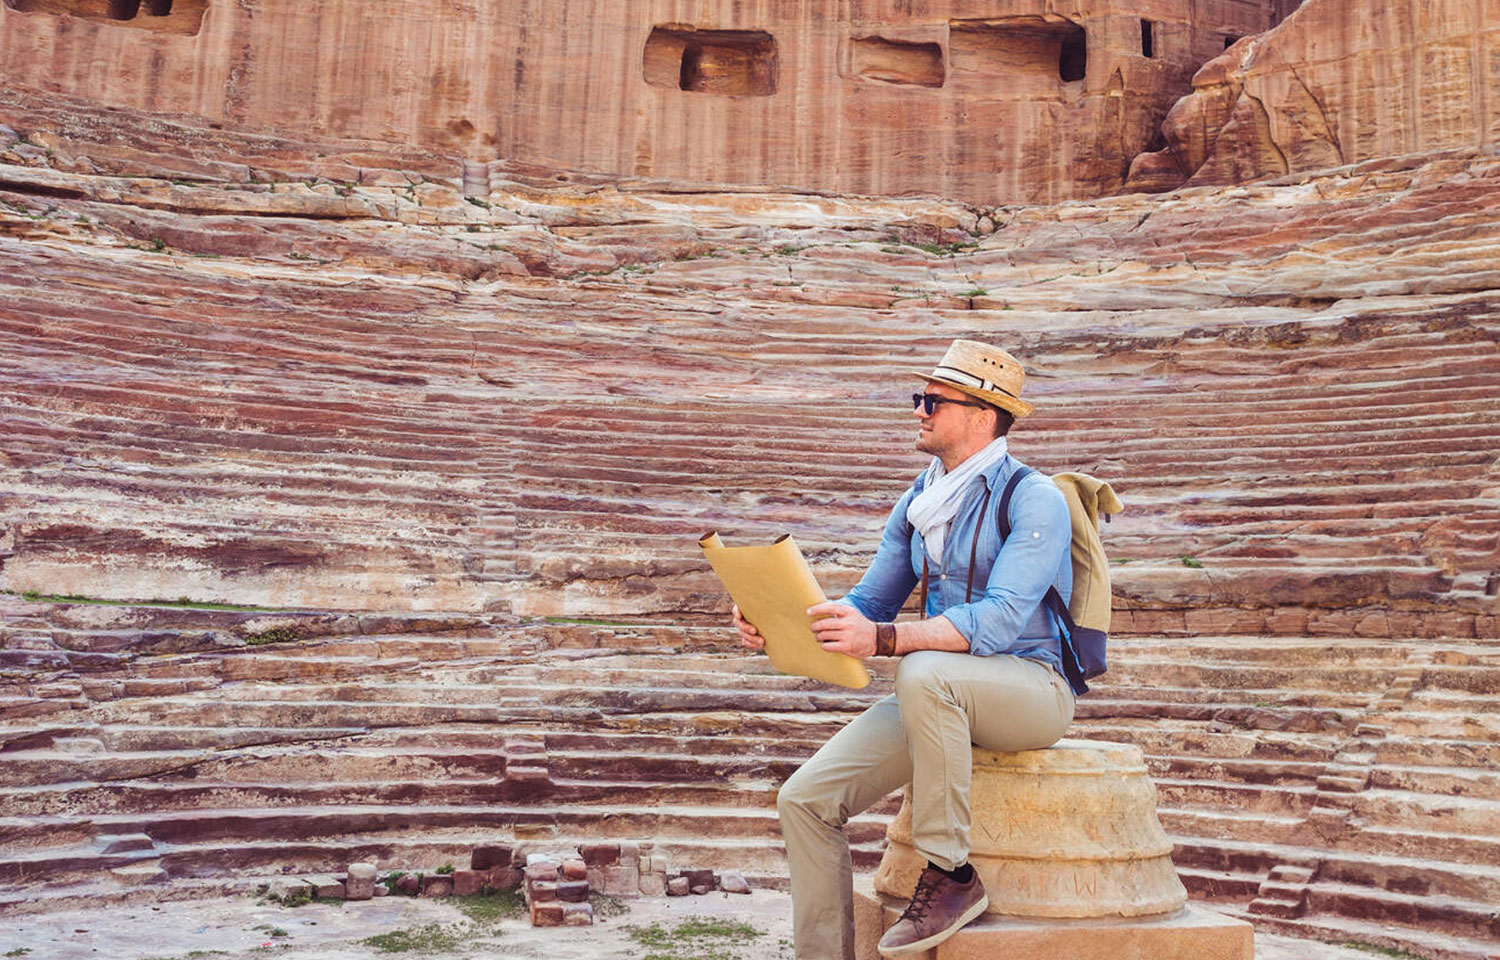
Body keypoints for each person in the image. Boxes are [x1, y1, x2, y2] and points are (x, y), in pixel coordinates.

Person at [732, 339, 1077, 960]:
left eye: (934, 401)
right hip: (939, 690)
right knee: (805, 801)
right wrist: (777, 616)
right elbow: (871, 603)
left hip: (1031, 688)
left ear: (982, 417)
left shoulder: (1034, 498)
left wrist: (885, 642)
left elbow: (998, 623)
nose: (919, 410)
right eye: (921, 398)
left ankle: (951, 875)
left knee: (921, 670)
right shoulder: (920, 501)